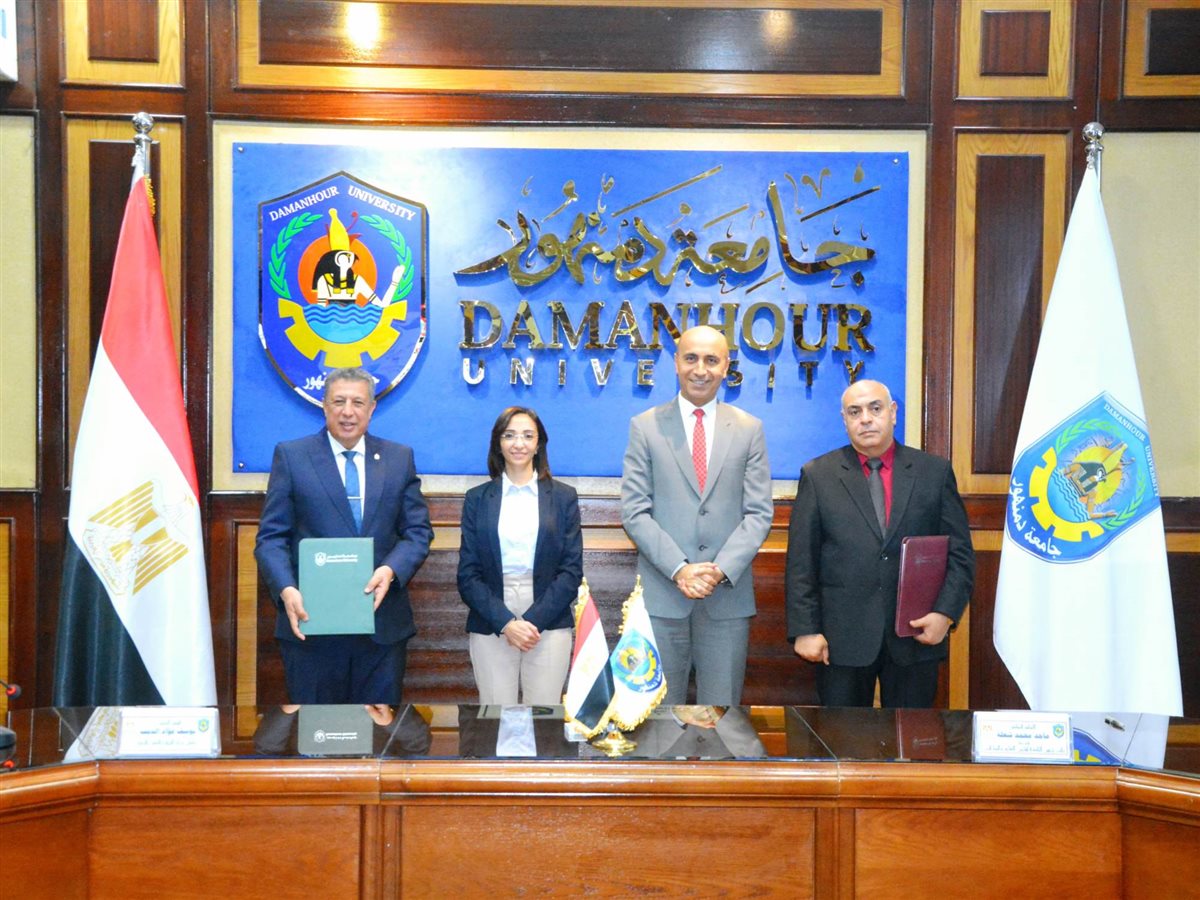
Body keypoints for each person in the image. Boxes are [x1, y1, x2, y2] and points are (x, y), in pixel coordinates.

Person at [785, 379, 975, 708]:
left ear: (893, 412)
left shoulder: (933, 472)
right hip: (841, 639)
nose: (866, 419)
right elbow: (802, 561)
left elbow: (960, 555)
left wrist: (944, 614)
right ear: (844, 419)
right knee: (843, 736)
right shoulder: (818, 475)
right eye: (854, 412)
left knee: (910, 736)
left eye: (875, 409)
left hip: (915, 634)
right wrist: (805, 629)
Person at [255, 366, 432, 704]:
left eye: (357, 402)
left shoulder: (398, 459)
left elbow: (417, 532)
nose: (347, 411)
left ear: (371, 408)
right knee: (317, 731)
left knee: (377, 732)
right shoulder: (292, 457)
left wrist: (391, 570)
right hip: (311, 627)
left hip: (381, 629)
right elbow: (271, 538)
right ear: (324, 405)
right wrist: (286, 589)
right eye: (338, 401)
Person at [621, 325, 773, 705]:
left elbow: (758, 513)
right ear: (676, 363)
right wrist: (680, 569)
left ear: (726, 366)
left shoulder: (749, 429)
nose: (700, 369)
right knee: (658, 717)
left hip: (726, 600)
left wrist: (718, 570)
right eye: (691, 358)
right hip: (664, 596)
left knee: (721, 718)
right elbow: (635, 511)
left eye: (711, 360)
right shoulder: (645, 426)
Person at [457, 407, 583, 705]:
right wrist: (506, 623)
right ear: (498, 443)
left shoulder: (563, 497)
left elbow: (571, 571)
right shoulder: (477, 498)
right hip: (492, 617)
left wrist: (532, 621)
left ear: (538, 444)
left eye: (528, 436)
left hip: (548, 616)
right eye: (509, 435)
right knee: (497, 716)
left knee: (543, 716)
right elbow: (468, 574)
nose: (519, 443)